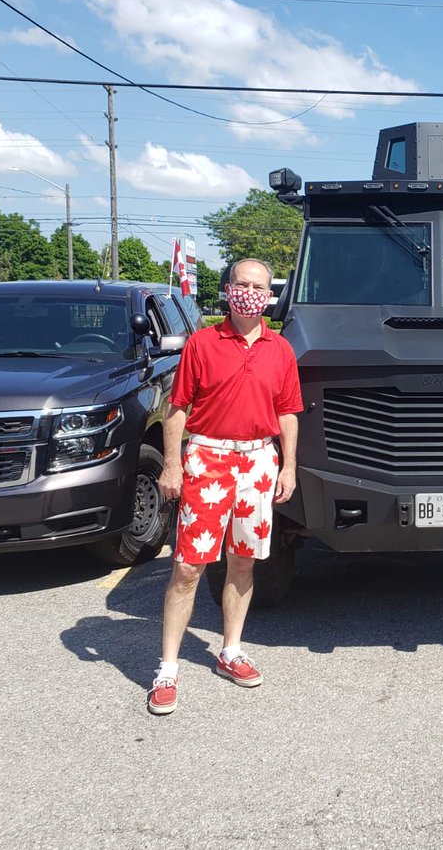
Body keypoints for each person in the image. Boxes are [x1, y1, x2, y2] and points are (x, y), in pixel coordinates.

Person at [147, 258, 303, 716]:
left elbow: (288, 412)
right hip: (208, 459)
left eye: (259, 286)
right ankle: (168, 669)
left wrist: (288, 467)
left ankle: (230, 650)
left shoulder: (281, 349)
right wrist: (172, 465)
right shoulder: (202, 343)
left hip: (258, 462)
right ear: (228, 288)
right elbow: (177, 409)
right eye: (242, 283)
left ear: (269, 293)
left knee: (243, 562)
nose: (250, 292)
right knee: (189, 567)